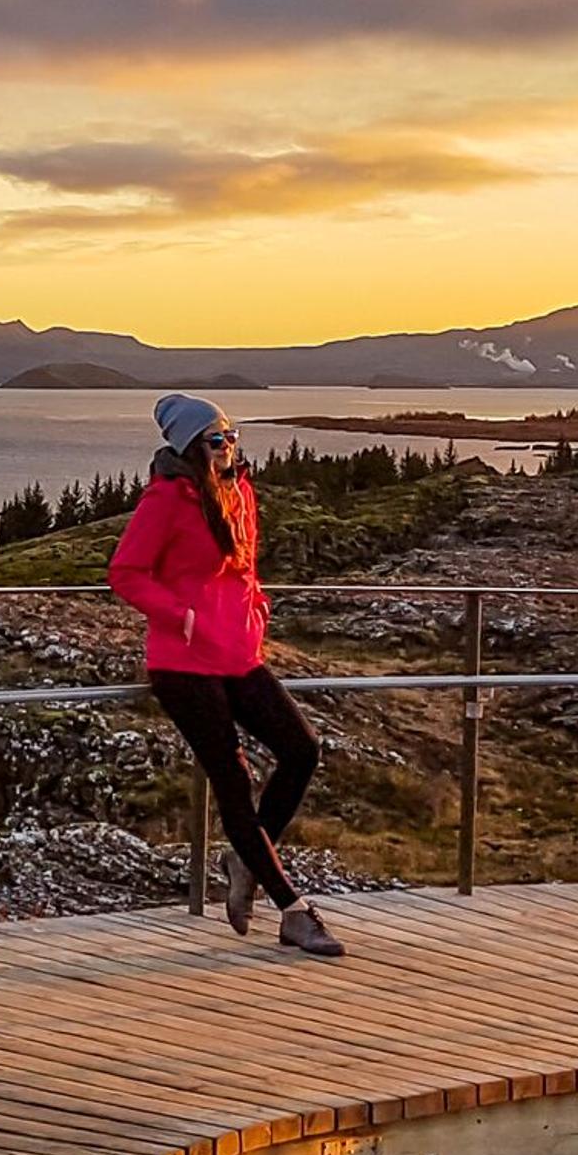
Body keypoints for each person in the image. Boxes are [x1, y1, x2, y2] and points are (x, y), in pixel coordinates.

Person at [109, 394, 343, 957]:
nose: (229, 445)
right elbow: (125, 571)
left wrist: (256, 611)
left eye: (232, 435)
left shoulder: (239, 491)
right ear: (192, 446)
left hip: (237, 654)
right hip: (183, 663)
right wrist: (180, 616)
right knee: (232, 779)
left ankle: (245, 859)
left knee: (301, 749)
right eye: (217, 439)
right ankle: (292, 910)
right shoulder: (167, 497)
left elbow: (246, 567)